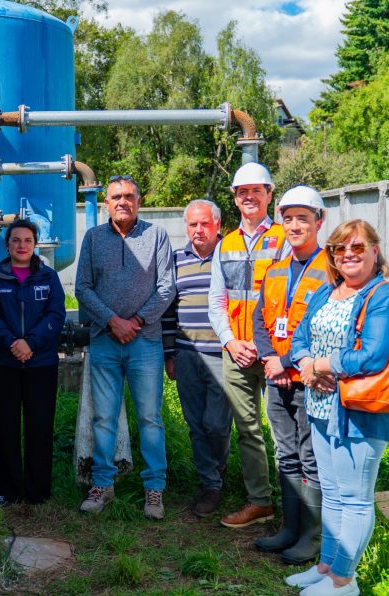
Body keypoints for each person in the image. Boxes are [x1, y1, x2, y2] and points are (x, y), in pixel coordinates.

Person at [285, 219, 389, 596]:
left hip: (360, 413)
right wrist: (306, 363)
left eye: (358, 248)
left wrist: (321, 365)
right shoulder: (327, 291)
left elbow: (373, 354)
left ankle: (344, 581)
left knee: (354, 498)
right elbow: (300, 335)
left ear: (374, 251)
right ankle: (327, 566)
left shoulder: (382, 294)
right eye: (341, 249)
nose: (349, 255)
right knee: (333, 494)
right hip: (322, 407)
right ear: (333, 256)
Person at [75, 174, 175, 519]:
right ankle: (102, 484)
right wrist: (112, 321)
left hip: (145, 343)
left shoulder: (157, 236)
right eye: (116, 196)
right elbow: (83, 288)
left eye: (129, 196)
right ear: (106, 202)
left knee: (150, 417)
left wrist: (135, 322)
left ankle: (154, 490)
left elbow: (166, 288)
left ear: (139, 201)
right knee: (104, 418)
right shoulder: (92, 238)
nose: (122, 201)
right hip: (105, 342)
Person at [208, 162, 289, 528]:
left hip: (277, 354)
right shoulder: (226, 243)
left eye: (257, 190)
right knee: (248, 429)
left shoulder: (286, 238)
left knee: (286, 430)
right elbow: (216, 300)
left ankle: (297, 504)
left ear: (269, 194)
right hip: (237, 352)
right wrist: (230, 342)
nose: (250, 197)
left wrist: (272, 349)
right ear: (235, 199)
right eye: (243, 192)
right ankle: (260, 502)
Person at [252, 186, 328, 563]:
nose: (294, 225)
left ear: (319, 221)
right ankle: (289, 528)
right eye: (288, 218)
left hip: (311, 382)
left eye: (303, 218)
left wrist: (289, 363)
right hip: (276, 377)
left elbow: (330, 327)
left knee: (311, 457)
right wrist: (270, 359)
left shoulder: (331, 270)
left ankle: (311, 537)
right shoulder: (277, 269)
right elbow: (259, 319)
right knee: (286, 455)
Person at [0, 220, 66, 505]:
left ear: (35, 244)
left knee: (39, 426)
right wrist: (12, 343)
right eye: (16, 240)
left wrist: (31, 343)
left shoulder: (49, 277)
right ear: (7, 245)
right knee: (6, 427)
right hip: (4, 363)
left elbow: (56, 315)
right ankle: (9, 490)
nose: (22, 245)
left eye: (27, 240)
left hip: (41, 363)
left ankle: (38, 491)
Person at [162, 199, 232, 518]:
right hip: (187, 355)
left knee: (216, 424)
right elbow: (168, 310)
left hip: (222, 356)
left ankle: (217, 471)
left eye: (204, 223)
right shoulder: (176, 260)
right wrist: (169, 353)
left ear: (217, 225)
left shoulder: (231, 257)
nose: (198, 230)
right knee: (195, 424)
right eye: (192, 224)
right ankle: (210, 485)